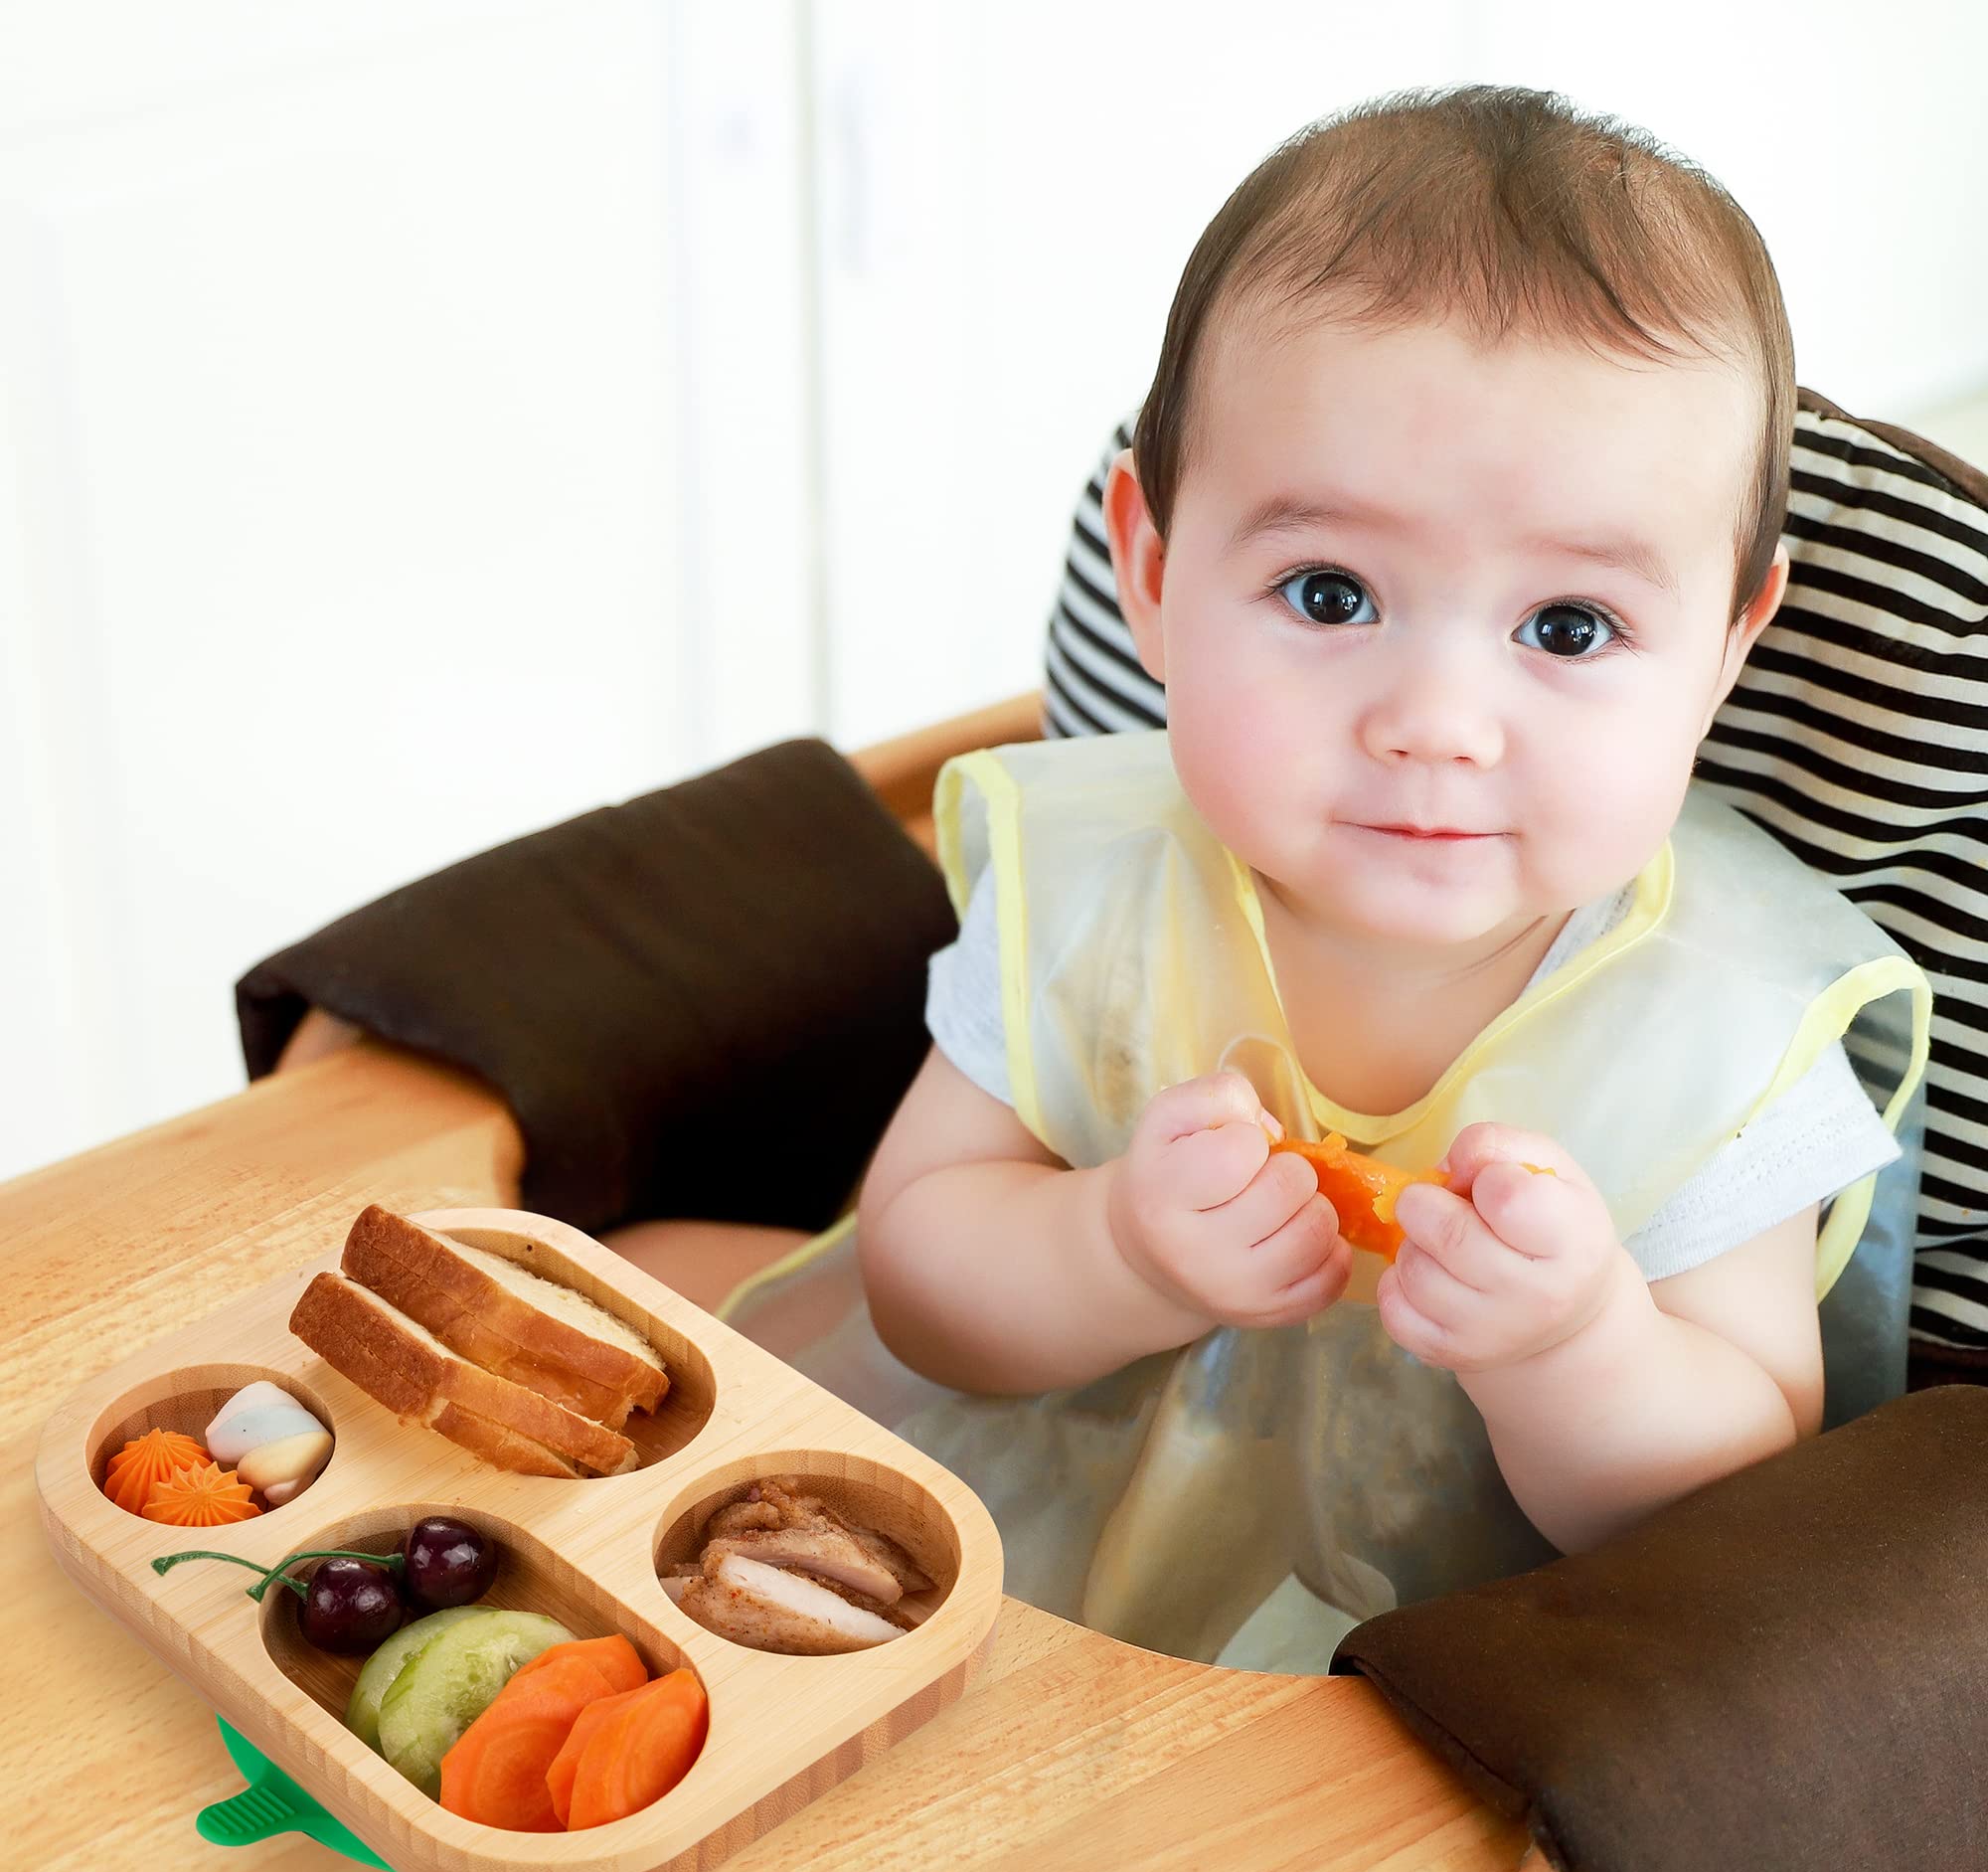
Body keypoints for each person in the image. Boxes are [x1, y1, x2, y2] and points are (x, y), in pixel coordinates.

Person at [596, 85, 1930, 1670]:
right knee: (645, 1292)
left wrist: (1578, 1348)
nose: (1437, 722)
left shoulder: (1721, 1036)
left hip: (1411, 1655)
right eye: (1330, 593)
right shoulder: (1095, 890)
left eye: (1568, 628)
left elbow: (1738, 1494)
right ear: (1154, 576)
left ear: (1726, 647)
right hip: (1026, 1504)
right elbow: (923, 1276)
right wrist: (1115, 1250)